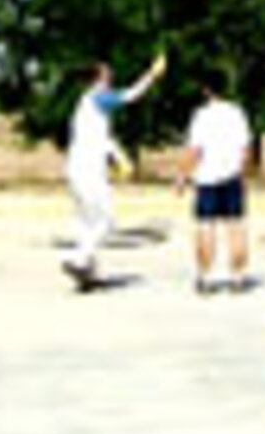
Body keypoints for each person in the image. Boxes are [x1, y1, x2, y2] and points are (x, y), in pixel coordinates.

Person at [62, 51, 165, 287]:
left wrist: (120, 158)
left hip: (77, 167)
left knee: (87, 222)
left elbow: (104, 139)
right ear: (97, 78)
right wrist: (152, 75)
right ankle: (78, 260)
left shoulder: (87, 105)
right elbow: (130, 96)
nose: (111, 76)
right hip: (89, 170)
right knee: (106, 222)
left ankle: (89, 274)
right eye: (107, 73)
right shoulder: (99, 97)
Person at [179, 75, 253, 294]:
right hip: (232, 175)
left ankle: (206, 277)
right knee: (236, 226)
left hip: (207, 178)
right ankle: (238, 277)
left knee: (205, 226)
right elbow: (246, 149)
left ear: (205, 90)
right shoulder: (237, 113)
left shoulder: (201, 116)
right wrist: (243, 173)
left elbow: (195, 150)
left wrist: (183, 176)